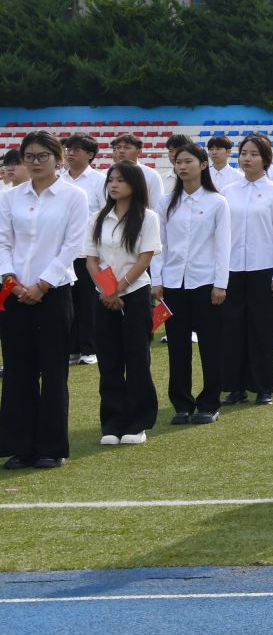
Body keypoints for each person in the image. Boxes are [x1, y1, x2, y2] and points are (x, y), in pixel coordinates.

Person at [0, 132, 91, 468]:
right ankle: (20, 445)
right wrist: (12, 281)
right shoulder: (10, 197)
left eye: (42, 156)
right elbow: (2, 242)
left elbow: (72, 246)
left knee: (53, 371)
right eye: (29, 157)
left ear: (58, 158)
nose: (35, 162)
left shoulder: (74, 196)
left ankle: (51, 447)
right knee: (17, 370)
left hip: (54, 292)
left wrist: (42, 284)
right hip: (14, 292)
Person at [153, 141, 231, 425]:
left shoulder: (217, 202)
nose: (182, 167)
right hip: (173, 283)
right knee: (177, 347)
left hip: (206, 282)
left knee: (211, 345)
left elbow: (223, 246)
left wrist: (221, 283)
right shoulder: (165, 202)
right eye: (178, 162)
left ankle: (209, 403)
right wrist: (157, 280)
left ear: (203, 164)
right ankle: (182, 404)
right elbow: (159, 245)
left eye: (188, 161)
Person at [86, 161, 161, 447]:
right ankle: (112, 422)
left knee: (137, 358)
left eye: (120, 180)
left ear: (134, 184)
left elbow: (144, 258)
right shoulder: (97, 218)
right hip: (104, 295)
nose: (114, 185)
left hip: (136, 293)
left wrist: (118, 289)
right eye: (111, 180)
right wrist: (108, 292)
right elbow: (91, 259)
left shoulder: (147, 217)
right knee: (109, 360)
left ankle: (138, 422)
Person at [219, 134, 273, 408]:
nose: (247, 158)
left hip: (265, 269)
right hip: (232, 268)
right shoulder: (228, 192)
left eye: (254, 154)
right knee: (232, 328)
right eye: (244, 153)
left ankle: (263, 386)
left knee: (263, 329)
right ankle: (235, 387)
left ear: (266, 159)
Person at [59, 134, 106, 368]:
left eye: (76, 149)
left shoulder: (100, 180)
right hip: (63, 251)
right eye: (68, 149)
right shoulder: (58, 179)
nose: (70, 153)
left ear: (90, 154)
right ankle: (72, 348)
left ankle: (90, 348)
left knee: (88, 302)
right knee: (67, 302)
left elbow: (106, 215)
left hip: (88, 251)